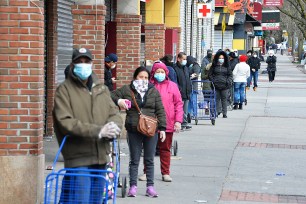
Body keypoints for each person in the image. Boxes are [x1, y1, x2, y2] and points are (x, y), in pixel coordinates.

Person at [53, 48, 123, 203]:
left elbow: (114, 114)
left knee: (96, 200)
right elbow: (65, 122)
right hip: (79, 158)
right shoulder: (64, 90)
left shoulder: (101, 89)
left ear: (92, 63)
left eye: (86, 61)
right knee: (80, 200)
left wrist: (114, 127)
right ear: (72, 64)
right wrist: (98, 131)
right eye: (79, 61)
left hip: (101, 158)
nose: (83, 65)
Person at [111, 66, 166, 198]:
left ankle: (150, 187)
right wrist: (119, 101)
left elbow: (160, 110)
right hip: (133, 128)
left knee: (149, 159)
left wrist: (163, 128)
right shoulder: (127, 89)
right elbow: (111, 94)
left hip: (150, 129)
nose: (143, 80)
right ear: (135, 77)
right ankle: (133, 186)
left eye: (146, 77)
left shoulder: (153, 91)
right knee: (134, 159)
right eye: (141, 77)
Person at [139, 62, 183, 182]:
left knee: (165, 149)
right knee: (149, 149)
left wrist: (178, 121)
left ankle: (165, 172)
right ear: (153, 73)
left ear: (166, 73)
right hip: (150, 122)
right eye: (157, 71)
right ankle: (146, 172)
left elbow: (178, 104)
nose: (160, 74)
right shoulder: (148, 85)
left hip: (168, 122)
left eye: (162, 72)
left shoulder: (172, 86)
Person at [208, 51, 233, 118]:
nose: (221, 59)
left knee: (224, 100)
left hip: (225, 86)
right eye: (220, 58)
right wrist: (213, 81)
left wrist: (228, 81)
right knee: (216, 99)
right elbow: (210, 74)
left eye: (222, 58)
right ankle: (216, 112)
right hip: (216, 85)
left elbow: (230, 75)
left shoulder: (227, 66)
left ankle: (224, 113)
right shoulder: (214, 66)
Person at [173, 52, 192, 130]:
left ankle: (184, 123)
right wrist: (179, 89)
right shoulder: (175, 68)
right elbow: (175, 81)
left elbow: (187, 79)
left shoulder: (186, 68)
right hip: (180, 92)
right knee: (180, 109)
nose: (185, 60)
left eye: (185, 59)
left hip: (186, 92)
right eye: (183, 59)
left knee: (185, 109)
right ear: (178, 59)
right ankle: (182, 123)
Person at [187, 55, 201, 120]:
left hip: (193, 86)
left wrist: (189, 77)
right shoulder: (187, 66)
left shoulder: (196, 66)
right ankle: (188, 114)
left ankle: (195, 114)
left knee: (193, 101)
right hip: (187, 87)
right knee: (189, 102)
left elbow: (196, 73)